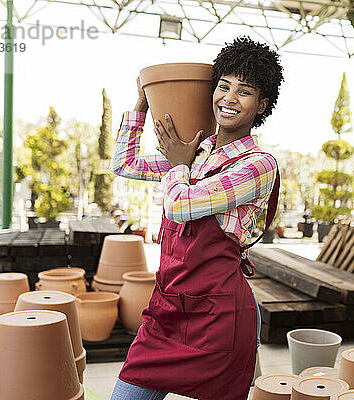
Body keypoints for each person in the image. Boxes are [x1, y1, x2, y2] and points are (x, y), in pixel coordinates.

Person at [109, 36, 284, 400]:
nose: (230, 98)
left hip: (218, 320)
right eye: (223, 86)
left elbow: (181, 206)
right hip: (167, 309)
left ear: (262, 104)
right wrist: (141, 105)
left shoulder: (258, 165)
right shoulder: (195, 152)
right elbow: (123, 164)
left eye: (245, 91)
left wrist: (177, 165)